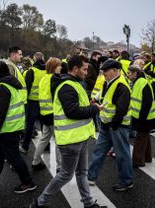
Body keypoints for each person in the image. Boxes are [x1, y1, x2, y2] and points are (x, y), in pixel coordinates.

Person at [30, 55, 106, 208]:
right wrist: (93, 109)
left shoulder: (75, 83)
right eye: (84, 69)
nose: (86, 72)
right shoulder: (67, 86)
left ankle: (89, 203)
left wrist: (88, 104)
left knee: (81, 172)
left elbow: (76, 105)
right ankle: (40, 203)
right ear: (75, 68)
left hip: (80, 136)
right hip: (71, 139)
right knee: (66, 174)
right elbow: (72, 111)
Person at [0, 61, 37, 194]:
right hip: (9, 128)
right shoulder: (10, 84)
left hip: (6, 130)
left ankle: (28, 182)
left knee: (14, 158)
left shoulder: (2, 87)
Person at [87, 60, 133, 192]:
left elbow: (122, 110)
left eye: (105, 71)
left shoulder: (122, 86)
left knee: (122, 155)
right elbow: (104, 94)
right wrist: (95, 99)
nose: (103, 74)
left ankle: (126, 181)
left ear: (115, 70)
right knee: (98, 151)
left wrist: (114, 125)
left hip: (117, 126)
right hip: (107, 124)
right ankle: (90, 177)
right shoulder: (109, 82)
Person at [32, 57, 62, 171]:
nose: (61, 67)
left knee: (44, 139)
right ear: (55, 67)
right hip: (53, 114)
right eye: (59, 65)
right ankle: (60, 167)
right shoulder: (54, 79)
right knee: (59, 141)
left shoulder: (44, 78)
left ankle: (36, 161)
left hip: (44, 113)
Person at [127, 65, 155, 167]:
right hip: (143, 116)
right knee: (145, 136)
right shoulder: (136, 82)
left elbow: (147, 103)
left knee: (140, 139)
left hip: (145, 117)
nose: (128, 75)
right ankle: (147, 158)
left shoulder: (142, 82)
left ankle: (137, 161)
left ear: (136, 73)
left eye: (130, 73)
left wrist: (141, 119)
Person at [20, 52, 46, 154]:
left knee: (29, 125)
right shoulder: (48, 71)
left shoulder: (32, 71)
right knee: (45, 126)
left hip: (32, 102)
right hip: (45, 102)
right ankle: (46, 146)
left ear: (34, 60)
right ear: (43, 59)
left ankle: (25, 146)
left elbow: (27, 88)